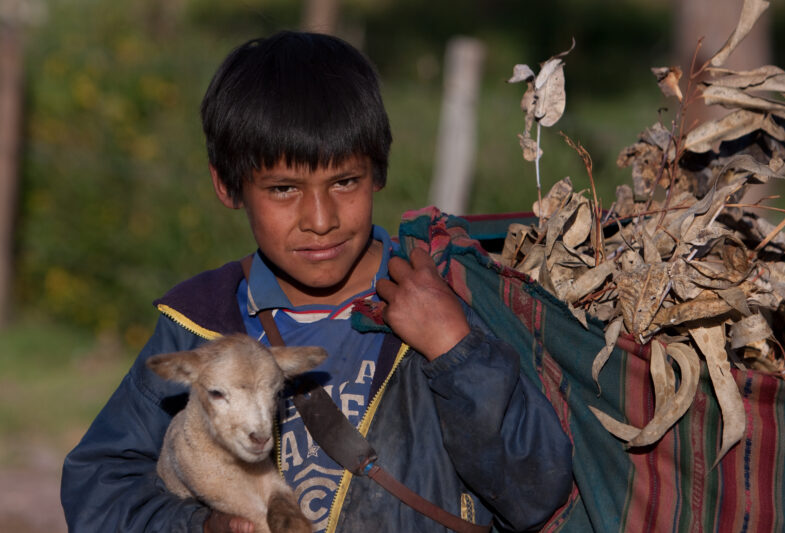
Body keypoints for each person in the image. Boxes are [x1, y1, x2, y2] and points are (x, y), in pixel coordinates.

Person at [61, 31, 573, 533]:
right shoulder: (199, 320)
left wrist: (453, 350)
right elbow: (101, 488)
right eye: (284, 189)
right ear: (228, 185)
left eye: (345, 181)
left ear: (378, 170)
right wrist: (202, 525)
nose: (321, 218)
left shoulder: (445, 297)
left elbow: (532, 494)